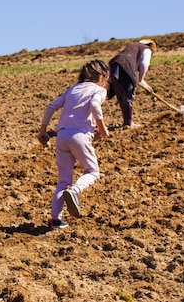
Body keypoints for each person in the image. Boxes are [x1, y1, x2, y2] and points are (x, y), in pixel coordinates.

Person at [37, 59, 111, 229]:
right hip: (80, 136)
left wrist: (43, 131)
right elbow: (94, 105)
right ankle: (75, 191)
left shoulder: (72, 89)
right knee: (92, 171)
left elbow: (50, 107)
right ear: (101, 77)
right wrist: (102, 128)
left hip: (62, 136)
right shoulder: (99, 90)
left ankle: (55, 219)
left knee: (63, 180)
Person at [108, 39, 157, 128]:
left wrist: (144, 83)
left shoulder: (133, 47)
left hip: (113, 66)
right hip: (126, 67)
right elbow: (144, 64)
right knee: (128, 95)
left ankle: (126, 122)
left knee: (121, 95)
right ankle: (129, 123)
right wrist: (141, 79)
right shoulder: (147, 49)